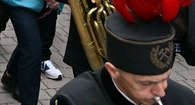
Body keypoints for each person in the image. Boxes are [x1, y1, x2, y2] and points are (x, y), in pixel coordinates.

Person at [51, 11, 195, 104]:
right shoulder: (73, 101)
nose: (161, 92)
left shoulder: (184, 99)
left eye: (164, 79)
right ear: (113, 71)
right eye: (146, 84)